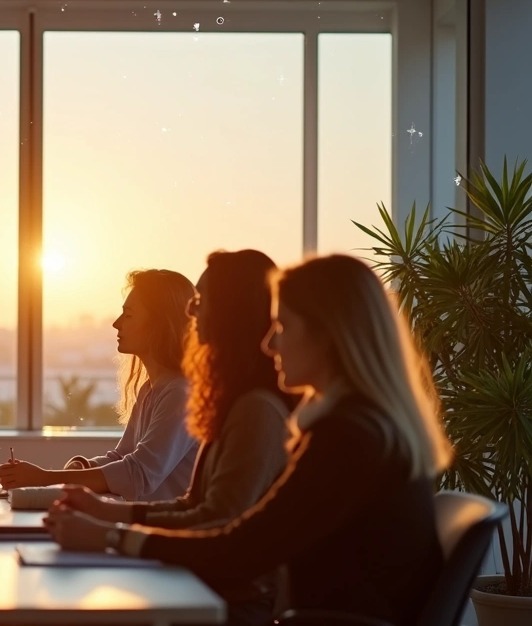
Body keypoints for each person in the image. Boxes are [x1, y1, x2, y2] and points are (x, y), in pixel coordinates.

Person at [47, 254, 451, 626]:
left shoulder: (344, 437)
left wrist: (110, 535)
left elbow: (237, 548)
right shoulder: (358, 426)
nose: (269, 342)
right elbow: (216, 519)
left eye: (283, 326)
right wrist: (107, 515)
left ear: (330, 336)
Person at [50, 250, 296, 626]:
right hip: (197, 583)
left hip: (226, 602)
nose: (191, 313)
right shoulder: (230, 401)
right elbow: (192, 505)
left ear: (231, 312)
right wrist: (106, 513)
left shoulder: (255, 410)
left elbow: (216, 523)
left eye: (200, 302)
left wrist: (110, 534)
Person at [0, 269, 199, 501]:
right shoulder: (151, 390)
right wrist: (82, 465)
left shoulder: (180, 394)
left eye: (129, 315)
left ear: (159, 325)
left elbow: (137, 474)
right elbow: (123, 456)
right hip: (143, 524)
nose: (116, 323)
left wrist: (44, 478)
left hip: (165, 532)